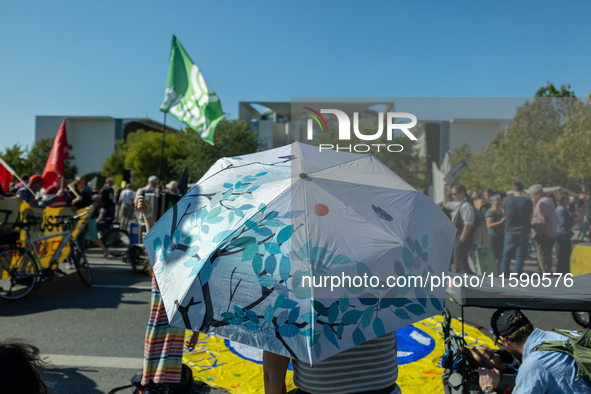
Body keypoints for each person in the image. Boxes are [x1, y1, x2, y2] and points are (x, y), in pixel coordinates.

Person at [136, 196, 199, 393]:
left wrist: (196, 332)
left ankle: (160, 386)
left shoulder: (186, 267)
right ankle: (153, 386)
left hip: (174, 325)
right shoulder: (160, 263)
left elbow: (197, 301)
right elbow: (153, 234)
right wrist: (146, 213)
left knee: (167, 362)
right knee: (157, 359)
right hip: (162, 323)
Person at [478, 309, 591, 394]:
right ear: (529, 323)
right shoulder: (562, 336)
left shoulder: (533, 365)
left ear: (504, 340)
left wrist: (488, 389)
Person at [263, 332, 400, 394]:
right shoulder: (379, 283)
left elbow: (272, 373)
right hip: (386, 390)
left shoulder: (290, 290)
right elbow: (392, 349)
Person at [500, 182, 533, 276]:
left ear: (513, 189)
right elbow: (530, 216)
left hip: (509, 232)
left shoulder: (506, 200)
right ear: (522, 189)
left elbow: (504, 214)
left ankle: (504, 277)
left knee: (506, 257)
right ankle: (515, 277)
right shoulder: (527, 201)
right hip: (523, 231)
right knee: (520, 257)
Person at [444, 183, 475, 274]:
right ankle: (463, 280)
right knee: (458, 260)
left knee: (460, 261)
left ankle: (464, 281)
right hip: (457, 237)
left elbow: (468, 225)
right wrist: (445, 189)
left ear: (462, 193)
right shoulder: (458, 204)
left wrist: (461, 240)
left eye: (454, 194)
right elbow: (446, 204)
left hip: (462, 237)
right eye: (451, 194)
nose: (453, 196)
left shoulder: (466, 206)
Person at [529, 185, 557, 274]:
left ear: (537, 194)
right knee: (545, 256)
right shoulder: (547, 200)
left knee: (543, 256)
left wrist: (540, 233)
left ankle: (545, 275)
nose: (530, 197)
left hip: (545, 235)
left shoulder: (543, 202)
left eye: (531, 194)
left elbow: (544, 220)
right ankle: (544, 273)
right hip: (548, 233)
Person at [485, 194, 505, 274]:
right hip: (493, 237)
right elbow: (489, 226)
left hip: (502, 236)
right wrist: (501, 222)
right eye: (498, 200)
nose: (500, 202)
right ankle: (493, 273)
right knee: (494, 257)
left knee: (500, 258)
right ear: (492, 203)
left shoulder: (502, 211)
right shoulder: (490, 212)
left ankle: (499, 273)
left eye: (500, 200)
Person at [555, 192, 573, 275]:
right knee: (563, 257)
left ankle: (562, 273)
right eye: (567, 198)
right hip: (563, 234)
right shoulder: (561, 209)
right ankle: (562, 273)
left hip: (563, 234)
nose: (568, 200)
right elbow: (563, 222)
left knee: (563, 257)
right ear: (562, 200)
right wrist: (571, 221)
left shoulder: (562, 209)